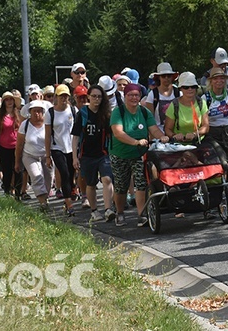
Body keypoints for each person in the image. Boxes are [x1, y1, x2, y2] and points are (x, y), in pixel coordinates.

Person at [110, 82, 169, 227]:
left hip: (139, 155)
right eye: (130, 95)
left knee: (141, 183)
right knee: (121, 186)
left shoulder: (144, 112)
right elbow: (118, 133)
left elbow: (153, 129)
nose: (133, 98)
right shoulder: (118, 112)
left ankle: (141, 214)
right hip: (120, 154)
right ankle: (120, 212)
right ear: (125, 96)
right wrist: (135, 142)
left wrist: (162, 137)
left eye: (136, 95)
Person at [72, 84, 116, 223]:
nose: (97, 99)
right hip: (87, 155)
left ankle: (108, 209)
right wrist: (75, 157)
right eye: (94, 96)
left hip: (103, 153)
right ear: (89, 97)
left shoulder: (106, 114)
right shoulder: (83, 114)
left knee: (107, 179)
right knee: (90, 184)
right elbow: (76, 137)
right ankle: (94, 210)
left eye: (99, 97)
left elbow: (111, 134)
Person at [15, 100, 53, 213]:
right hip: (29, 156)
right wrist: (17, 162)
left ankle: (45, 198)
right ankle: (43, 203)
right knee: (36, 176)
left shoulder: (48, 124)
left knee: (49, 179)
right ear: (30, 112)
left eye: (39, 111)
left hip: (47, 155)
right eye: (34, 111)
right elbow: (19, 144)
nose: (37, 114)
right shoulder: (25, 125)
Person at [45, 84, 77, 216]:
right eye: (61, 96)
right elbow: (47, 135)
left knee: (70, 174)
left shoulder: (73, 110)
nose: (64, 98)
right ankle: (69, 204)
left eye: (66, 96)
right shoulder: (50, 113)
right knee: (64, 173)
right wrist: (47, 155)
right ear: (56, 97)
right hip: (57, 147)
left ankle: (68, 195)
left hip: (71, 148)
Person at [164, 71, 209, 143]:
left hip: (198, 144)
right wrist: (174, 135)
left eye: (193, 87)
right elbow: (167, 129)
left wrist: (195, 134)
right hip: (178, 146)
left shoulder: (201, 103)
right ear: (180, 89)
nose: (190, 89)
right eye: (186, 87)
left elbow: (206, 126)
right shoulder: (174, 105)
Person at [0, 91, 22, 197]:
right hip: (3, 147)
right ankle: (7, 194)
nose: (9, 102)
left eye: (11, 99)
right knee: (7, 172)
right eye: (7, 100)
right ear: (4, 102)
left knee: (18, 171)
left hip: (17, 147)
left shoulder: (18, 115)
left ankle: (18, 195)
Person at [145, 62, 179, 132]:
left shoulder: (178, 93)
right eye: (163, 76)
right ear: (159, 78)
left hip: (177, 134)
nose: (166, 78)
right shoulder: (152, 94)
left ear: (172, 77)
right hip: (158, 133)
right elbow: (150, 119)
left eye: (169, 76)